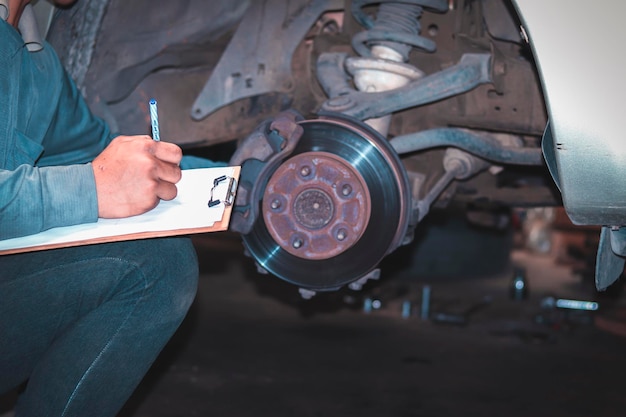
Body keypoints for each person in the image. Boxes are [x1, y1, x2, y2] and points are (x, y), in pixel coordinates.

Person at [0, 0, 211, 415]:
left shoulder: (37, 62)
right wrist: (92, 187)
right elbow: (97, 177)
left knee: (160, 264)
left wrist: (249, 182)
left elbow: (95, 150)